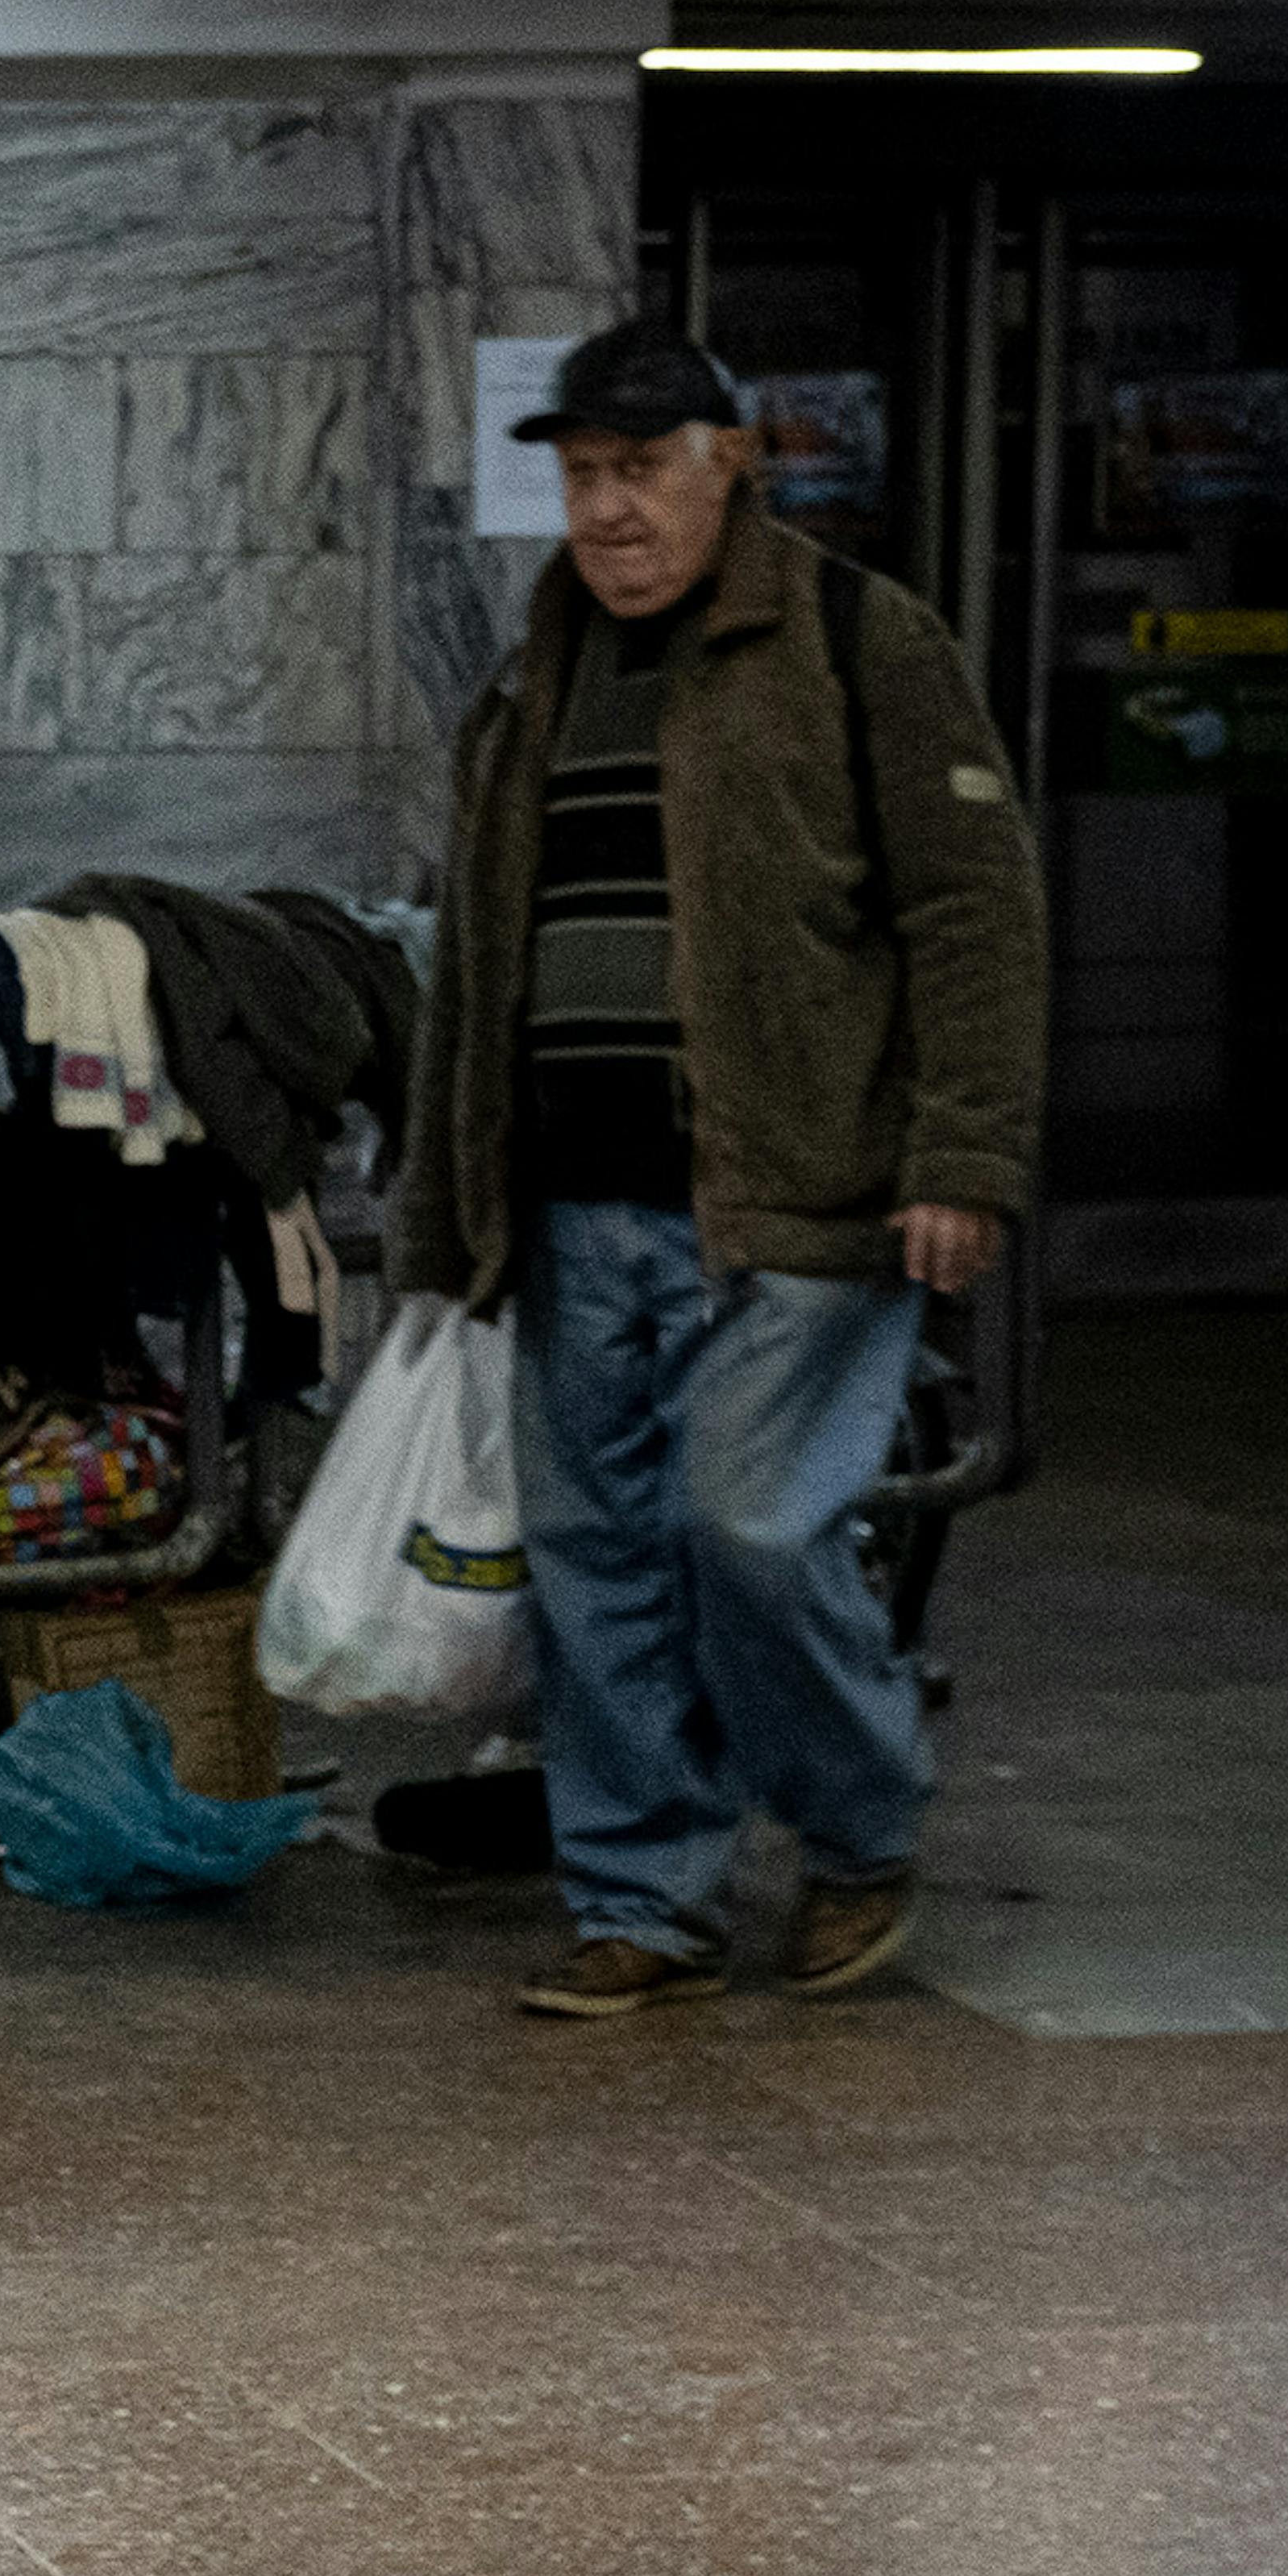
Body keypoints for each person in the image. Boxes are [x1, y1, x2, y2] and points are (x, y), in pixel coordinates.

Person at [391, 322, 1049, 2017]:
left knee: (748, 1527)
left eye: (640, 472)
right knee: (595, 1559)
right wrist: (443, 1205)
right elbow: (475, 955)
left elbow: (974, 909)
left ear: (727, 463)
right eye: (581, 476)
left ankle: (856, 1831)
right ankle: (642, 1897)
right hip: (567, 1203)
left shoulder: (852, 639)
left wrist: (963, 1155)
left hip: (795, 1194)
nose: (607, 513)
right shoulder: (529, 676)